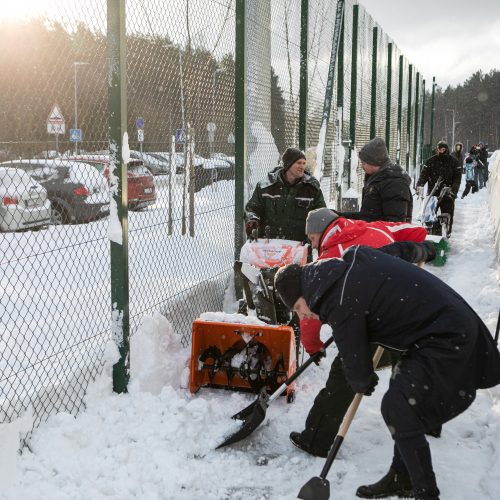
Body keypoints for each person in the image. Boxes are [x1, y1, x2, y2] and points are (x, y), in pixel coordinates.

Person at [275, 247, 500, 500]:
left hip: (447, 338)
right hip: (445, 327)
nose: (301, 314)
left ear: (307, 292)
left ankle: (426, 494)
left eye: (297, 306)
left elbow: (358, 371)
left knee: (398, 407)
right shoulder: (352, 262)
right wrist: (418, 251)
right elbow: (398, 251)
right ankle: (402, 477)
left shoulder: (339, 300)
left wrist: (363, 380)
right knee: (402, 392)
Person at [299, 207, 428, 355]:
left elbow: (310, 311)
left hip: (375, 320)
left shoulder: (330, 261)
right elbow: (418, 231)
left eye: (313, 239)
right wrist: (421, 249)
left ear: (323, 231)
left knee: (348, 371)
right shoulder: (374, 227)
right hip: (409, 310)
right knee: (404, 365)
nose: (314, 245)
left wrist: (313, 347)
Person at [244, 147, 325, 242]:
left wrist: (310, 238)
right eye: (298, 163)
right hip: (269, 246)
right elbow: (252, 208)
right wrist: (252, 219)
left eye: (304, 163)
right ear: (288, 165)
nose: (302, 166)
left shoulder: (311, 189)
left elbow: (321, 215)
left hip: (299, 246)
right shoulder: (265, 187)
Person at [340, 138, 413, 223]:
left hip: (381, 235)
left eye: (363, 163)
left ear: (373, 162)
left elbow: (395, 225)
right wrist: (339, 216)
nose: (361, 166)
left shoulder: (394, 184)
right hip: (374, 234)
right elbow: (367, 216)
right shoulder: (378, 180)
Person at [416, 141, 462, 237]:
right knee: (429, 217)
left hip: (447, 193)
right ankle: (431, 233)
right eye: (439, 149)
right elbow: (424, 175)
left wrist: (453, 190)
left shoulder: (453, 162)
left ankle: (447, 230)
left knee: (447, 214)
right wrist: (419, 185)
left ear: (447, 149)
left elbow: (457, 179)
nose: (441, 151)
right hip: (433, 193)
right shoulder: (430, 161)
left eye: (443, 149)